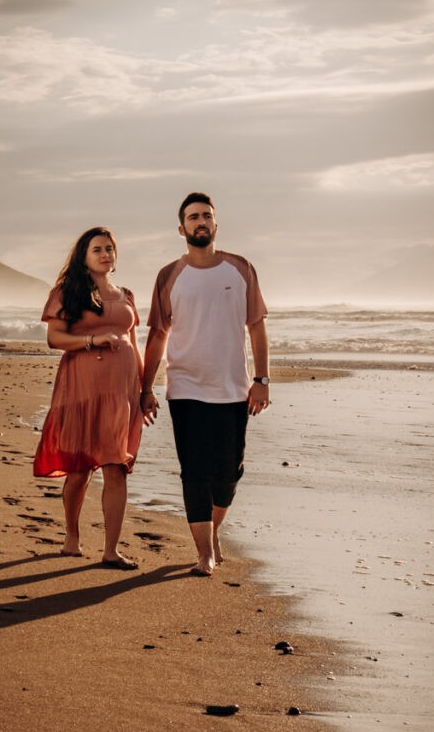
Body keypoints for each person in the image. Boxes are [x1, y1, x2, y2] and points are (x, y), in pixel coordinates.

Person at [140, 192, 270, 577]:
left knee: (229, 474)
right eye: (193, 217)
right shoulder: (169, 275)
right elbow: (158, 335)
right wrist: (145, 387)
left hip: (233, 388)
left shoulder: (240, 268)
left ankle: (213, 530)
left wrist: (262, 380)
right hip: (185, 388)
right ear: (181, 228)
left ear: (215, 225)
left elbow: (257, 327)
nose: (201, 222)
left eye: (206, 216)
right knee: (194, 471)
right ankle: (204, 554)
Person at [33, 227, 143, 570]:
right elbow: (54, 338)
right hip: (81, 388)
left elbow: (134, 344)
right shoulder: (68, 291)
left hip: (122, 390)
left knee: (116, 466)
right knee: (79, 469)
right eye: (97, 249)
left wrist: (148, 389)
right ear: (84, 255)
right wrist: (92, 342)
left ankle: (111, 551)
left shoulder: (126, 294)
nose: (105, 253)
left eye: (110, 248)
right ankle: (72, 538)